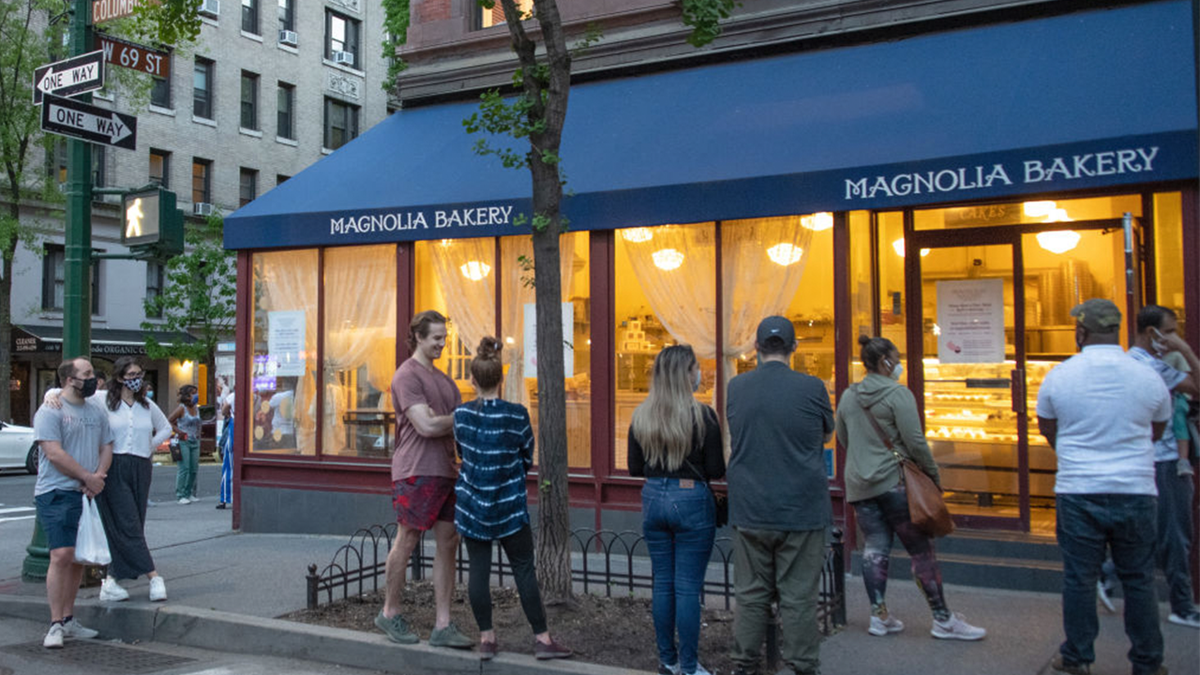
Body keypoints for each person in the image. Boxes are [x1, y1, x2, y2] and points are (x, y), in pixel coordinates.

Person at [1037, 298, 1172, 675]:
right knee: (1139, 579)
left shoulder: (1060, 375)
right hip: (1137, 489)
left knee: (1080, 578)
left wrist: (1076, 451)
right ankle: (1148, 661)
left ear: (1080, 332)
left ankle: (1078, 656)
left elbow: (1048, 428)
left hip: (1079, 489)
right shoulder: (1147, 375)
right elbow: (1156, 428)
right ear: (1118, 331)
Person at [836, 335, 986, 640]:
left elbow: (842, 436)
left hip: (860, 485)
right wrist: (932, 476)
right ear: (885, 362)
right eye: (897, 357)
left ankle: (879, 616)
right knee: (921, 551)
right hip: (894, 482)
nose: (900, 363)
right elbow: (916, 442)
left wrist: (864, 459)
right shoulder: (898, 395)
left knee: (874, 548)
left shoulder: (849, 396)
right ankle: (943, 619)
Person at [724, 316, 834, 675]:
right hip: (802, 507)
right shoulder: (813, 388)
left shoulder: (737, 387)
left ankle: (744, 663)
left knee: (751, 594)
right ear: (794, 348)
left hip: (750, 506)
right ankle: (803, 664)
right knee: (799, 595)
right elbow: (826, 433)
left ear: (755, 348)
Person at [452, 336, 572, 661]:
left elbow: (463, 454)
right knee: (523, 570)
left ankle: (487, 638)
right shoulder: (517, 415)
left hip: (473, 507)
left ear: (473, 379)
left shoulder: (461, 416)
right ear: (501, 377)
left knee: (478, 571)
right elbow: (526, 457)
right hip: (510, 507)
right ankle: (543, 639)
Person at [375, 310, 472, 649]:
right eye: (436, 339)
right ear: (418, 336)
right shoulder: (406, 377)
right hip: (415, 470)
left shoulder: (445, 382)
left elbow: (446, 425)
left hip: (447, 470)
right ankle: (389, 613)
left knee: (449, 544)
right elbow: (426, 426)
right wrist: (457, 417)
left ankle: (442, 625)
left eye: (445, 338)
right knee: (407, 540)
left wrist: (447, 418)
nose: (443, 344)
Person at [628, 344, 725, 675]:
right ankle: (688, 665)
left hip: (654, 498)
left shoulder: (641, 415)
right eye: (696, 368)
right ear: (686, 375)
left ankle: (667, 659)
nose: (700, 373)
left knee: (663, 583)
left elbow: (633, 467)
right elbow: (715, 468)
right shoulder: (703, 416)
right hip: (691, 501)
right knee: (686, 587)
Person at [43, 357, 173, 603]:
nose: (137, 379)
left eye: (139, 374)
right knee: (127, 522)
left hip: (141, 465)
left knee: (134, 521)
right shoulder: (103, 401)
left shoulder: (147, 405)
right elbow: (69, 392)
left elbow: (165, 427)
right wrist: (52, 392)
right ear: (120, 377)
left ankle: (111, 580)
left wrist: (151, 445)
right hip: (114, 465)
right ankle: (154, 576)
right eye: (132, 374)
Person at [1127, 305, 1200, 629]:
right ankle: (1182, 606)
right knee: (1175, 534)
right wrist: (1185, 349)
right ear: (1150, 332)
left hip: (1142, 459)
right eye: (1169, 331)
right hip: (1165, 459)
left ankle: (1107, 575)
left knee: (1148, 534)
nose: (1173, 337)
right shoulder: (1154, 368)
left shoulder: (1133, 363)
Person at [33, 358, 113, 648]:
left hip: (86, 491)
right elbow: (53, 453)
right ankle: (55, 623)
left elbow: (106, 445)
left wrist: (98, 475)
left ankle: (68, 618)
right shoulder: (50, 411)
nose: (94, 379)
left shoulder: (96, 410)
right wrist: (86, 476)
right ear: (69, 379)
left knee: (78, 556)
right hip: (57, 491)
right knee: (62, 554)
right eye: (87, 374)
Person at [167, 384, 202, 504]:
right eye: (193, 393)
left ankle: (189, 492)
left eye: (196, 392)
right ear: (187, 395)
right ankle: (180, 494)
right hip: (184, 441)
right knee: (184, 468)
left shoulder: (196, 408)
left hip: (195, 440)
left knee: (193, 469)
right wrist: (179, 432)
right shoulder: (182, 408)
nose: (196, 395)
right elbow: (169, 421)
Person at [217, 385, 235, 510]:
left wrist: (230, 413)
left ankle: (225, 497)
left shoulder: (233, 396)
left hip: (234, 428)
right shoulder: (255, 397)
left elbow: (224, 411)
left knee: (228, 464)